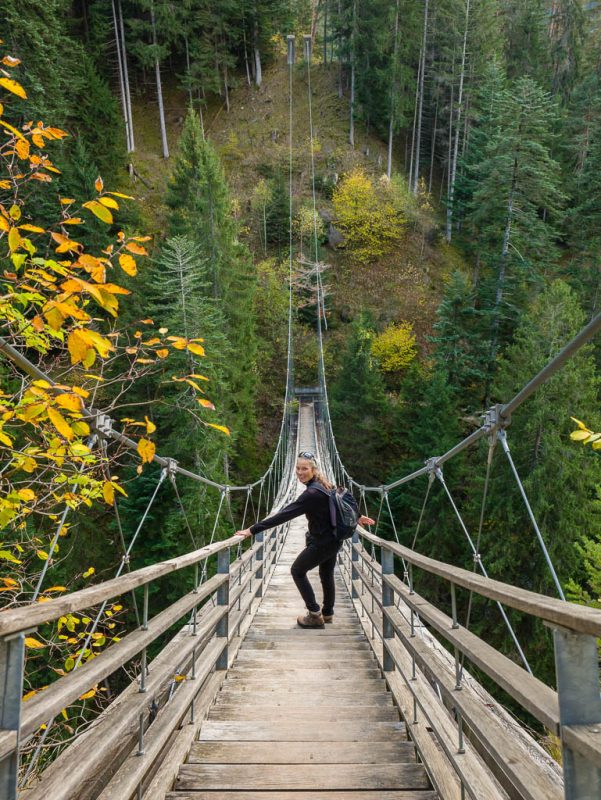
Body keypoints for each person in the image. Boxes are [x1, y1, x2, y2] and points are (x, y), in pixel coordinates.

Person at [235, 451, 374, 628]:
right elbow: (338, 501)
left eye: (304, 469)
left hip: (322, 542)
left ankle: (315, 614)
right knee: (326, 574)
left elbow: (284, 515)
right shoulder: (324, 484)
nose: (300, 472)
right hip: (335, 539)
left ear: (313, 470)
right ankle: (328, 614)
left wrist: (251, 530)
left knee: (297, 571)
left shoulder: (311, 494)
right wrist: (358, 516)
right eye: (298, 468)